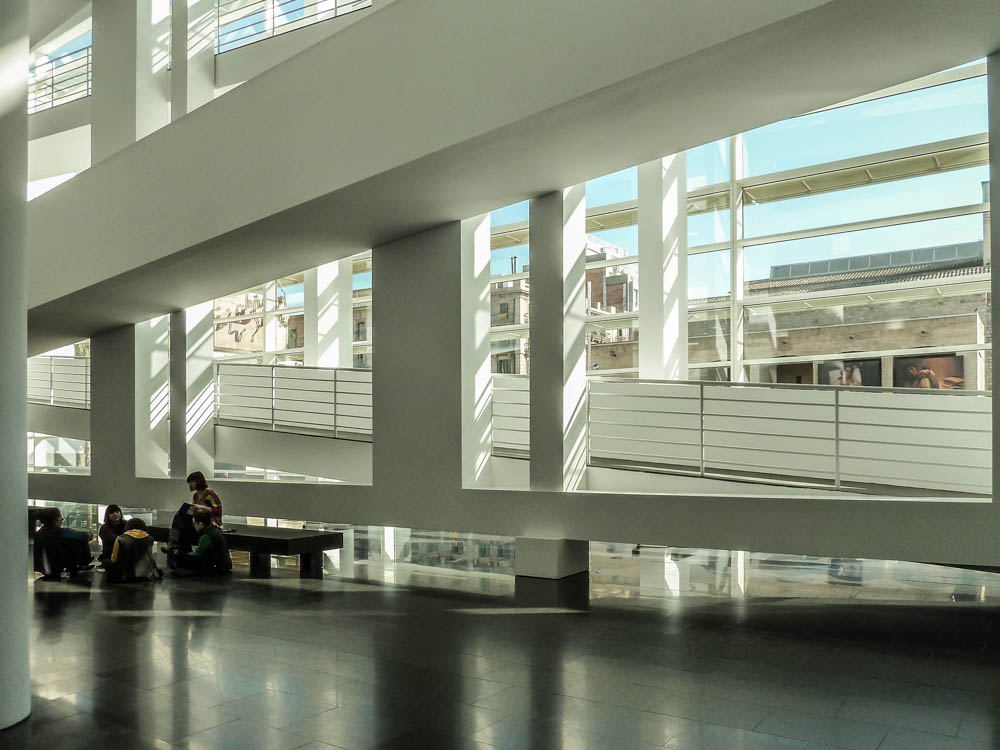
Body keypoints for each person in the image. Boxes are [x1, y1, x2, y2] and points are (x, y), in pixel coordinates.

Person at [166, 471, 223, 562]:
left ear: (198, 481)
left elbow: (218, 511)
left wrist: (201, 507)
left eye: (192, 482)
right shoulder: (195, 496)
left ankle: (175, 547)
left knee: (181, 522)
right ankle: (178, 551)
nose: (190, 484)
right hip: (198, 522)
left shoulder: (211, 494)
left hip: (210, 523)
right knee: (179, 518)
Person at [33, 508, 94, 581]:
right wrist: (89, 535)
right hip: (58, 566)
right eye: (61, 519)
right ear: (57, 519)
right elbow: (86, 535)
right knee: (81, 539)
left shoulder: (38, 534)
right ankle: (84, 564)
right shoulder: (61, 532)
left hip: (43, 568)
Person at [172, 510, 232, 575]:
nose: (194, 526)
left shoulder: (207, 535)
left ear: (200, 523)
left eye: (195, 523)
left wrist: (183, 555)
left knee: (180, 557)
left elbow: (198, 553)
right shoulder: (214, 529)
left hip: (217, 567)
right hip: (223, 564)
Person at [106, 518, 161, 583]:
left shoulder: (120, 538)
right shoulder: (150, 539)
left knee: (106, 562)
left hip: (125, 576)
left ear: (128, 526)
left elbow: (114, 559)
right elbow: (150, 556)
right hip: (145, 575)